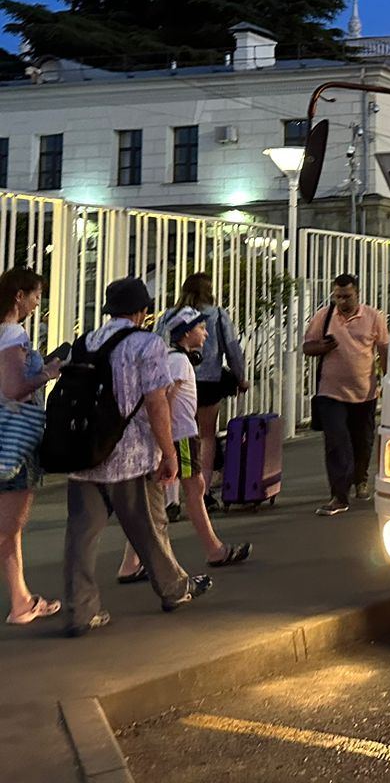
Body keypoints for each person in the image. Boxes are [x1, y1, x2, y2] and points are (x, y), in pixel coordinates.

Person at [62, 278, 212, 636]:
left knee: (81, 535)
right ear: (142, 311)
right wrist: (168, 452)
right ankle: (174, 589)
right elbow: (156, 402)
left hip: (84, 453)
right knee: (149, 527)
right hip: (130, 455)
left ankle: (79, 612)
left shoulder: (85, 342)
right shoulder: (147, 344)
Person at [116, 308, 252, 582]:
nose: (205, 333)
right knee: (194, 490)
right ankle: (214, 550)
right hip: (181, 436)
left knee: (158, 500)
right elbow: (167, 397)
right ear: (187, 333)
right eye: (201, 328)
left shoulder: (170, 358)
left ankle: (130, 563)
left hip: (172, 435)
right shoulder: (179, 362)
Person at [0, 268, 63, 625]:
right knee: (10, 524)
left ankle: (21, 601)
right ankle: (21, 603)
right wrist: (48, 372)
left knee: (10, 527)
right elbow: (13, 388)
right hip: (13, 440)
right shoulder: (12, 334)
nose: (38, 302)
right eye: (36, 295)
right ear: (18, 297)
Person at [304, 273, 389, 517]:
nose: (342, 301)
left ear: (357, 294)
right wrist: (323, 347)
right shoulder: (325, 316)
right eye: (338, 296)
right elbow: (307, 346)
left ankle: (360, 479)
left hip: (365, 393)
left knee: (362, 441)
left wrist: (387, 380)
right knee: (336, 443)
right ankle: (338, 495)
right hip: (331, 393)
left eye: (347, 296)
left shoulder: (374, 317)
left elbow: (383, 349)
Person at [165, 273, 247, 513]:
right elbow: (232, 348)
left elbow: (158, 345)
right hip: (209, 381)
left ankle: (172, 498)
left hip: (174, 379)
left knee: (174, 435)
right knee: (206, 436)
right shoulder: (217, 314)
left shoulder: (169, 316)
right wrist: (240, 377)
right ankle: (204, 492)